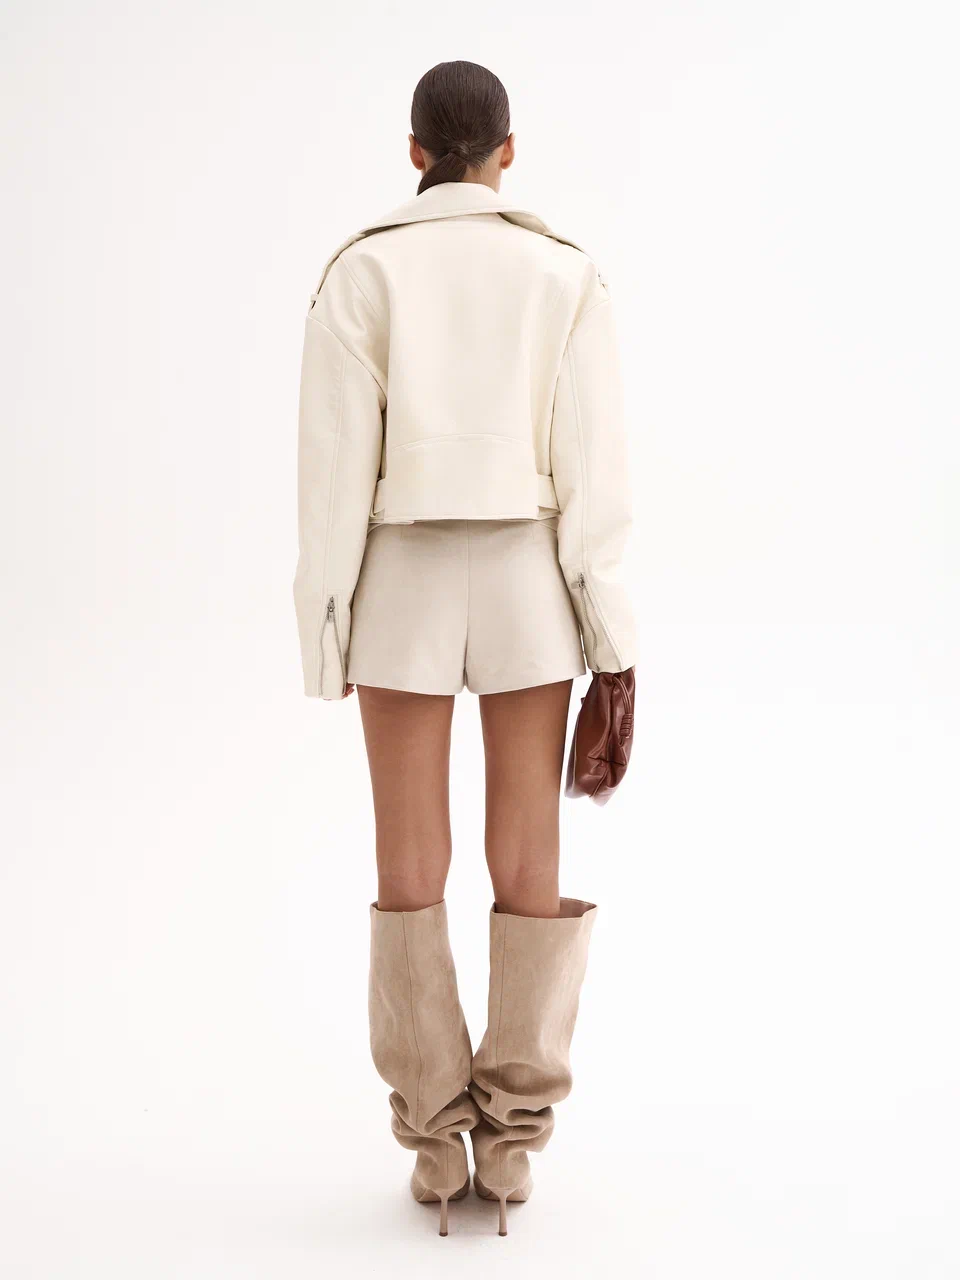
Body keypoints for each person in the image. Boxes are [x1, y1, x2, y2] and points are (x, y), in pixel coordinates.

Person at [294, 60, 636, 1237]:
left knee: (410, 851)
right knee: (526, 847)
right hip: (532, 572)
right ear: (507, 149)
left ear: (412, 151)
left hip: (400, 576)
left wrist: (325, 623)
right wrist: (614, 638)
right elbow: (595, 476)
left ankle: (437, 1140)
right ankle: (515, 1139)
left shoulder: (361, 270)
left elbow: (333, 474)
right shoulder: (563, 271)